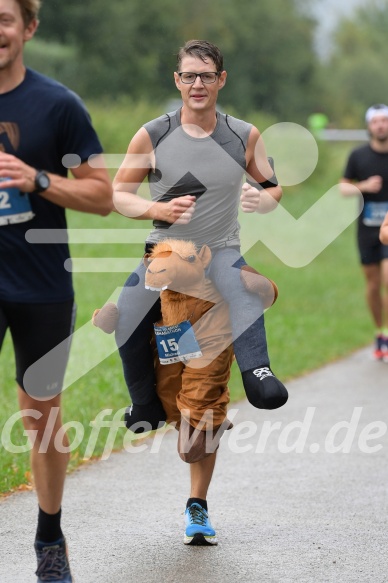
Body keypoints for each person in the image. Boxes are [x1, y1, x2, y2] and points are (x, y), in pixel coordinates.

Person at [111, 39, 288, 544]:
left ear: (221, 80)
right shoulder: (153, 134)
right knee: (125, 318)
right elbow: (119, 193)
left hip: (221, 255)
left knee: (231, 322)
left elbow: (272, 186)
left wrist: (265, 198)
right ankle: (144, 404)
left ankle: (199, 501)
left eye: (206, 76)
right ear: (177, 81)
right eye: (189, 76)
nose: (197, 85)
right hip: (164, 257)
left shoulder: (242, 135)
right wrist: (155, 211)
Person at [0, 1, 112, 581]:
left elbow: (102, 193)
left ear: (29, 28)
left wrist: (37, 179)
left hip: (41, 283)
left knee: (40, 415)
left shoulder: (58, 105)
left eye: (5, 18)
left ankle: (49, 538)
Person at [340, 104, 388, 362]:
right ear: (369, 127)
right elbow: (342, 188)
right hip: (367, 229)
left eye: (385, 120)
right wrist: (365, 186)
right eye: (376, 121)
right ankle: (380, 331)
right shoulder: (358, 156)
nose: (381, 125)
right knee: (372, 284)